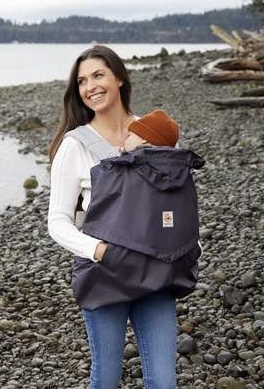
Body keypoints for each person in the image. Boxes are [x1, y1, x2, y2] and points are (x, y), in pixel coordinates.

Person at [48, 45, 180, 389]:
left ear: (119, 78)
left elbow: (176, 196)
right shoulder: (73, 145)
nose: (89, 86)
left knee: (164, 382)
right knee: (106, 378)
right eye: (81, 81)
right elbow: (58, 221)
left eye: (98, 75)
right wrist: (101, 252)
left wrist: (182, 244)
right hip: (105, 274)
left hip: (156, 272)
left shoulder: (152, 133)